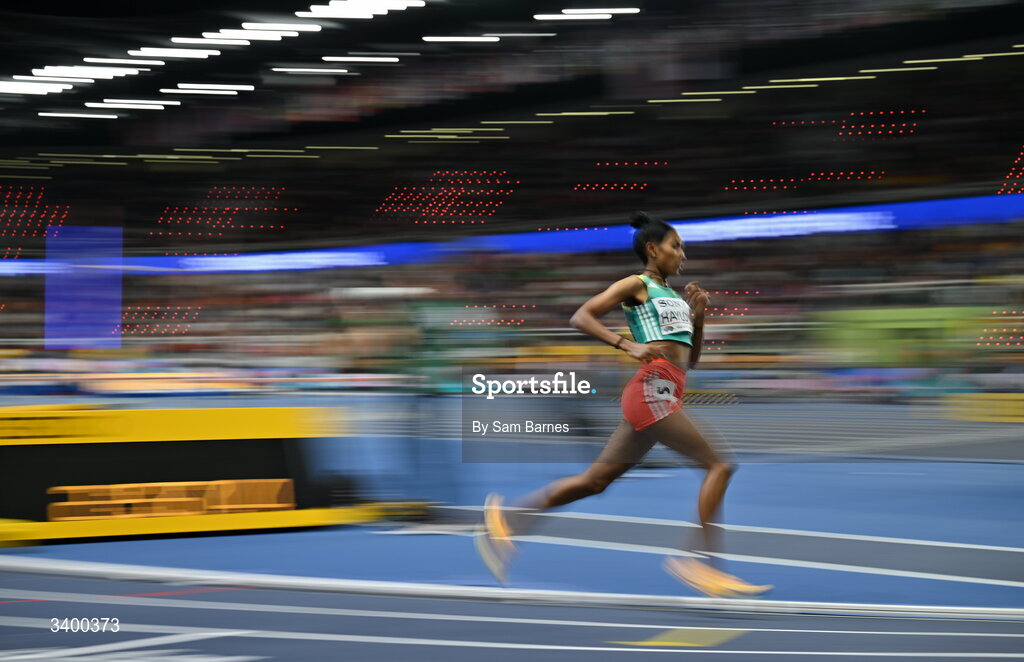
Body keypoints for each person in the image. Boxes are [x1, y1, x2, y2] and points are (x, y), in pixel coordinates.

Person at [475, 211, 771, 597]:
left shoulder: (676, 300)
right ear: (653, 249)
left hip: (663, 391)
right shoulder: (638, 284)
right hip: (652, 390)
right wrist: (626, 344)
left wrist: (699, 318)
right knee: (720, 464)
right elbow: (581, 316)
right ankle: (700, 562)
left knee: (595, 482)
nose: (683, 255)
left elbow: (691, 361)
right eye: (676, 246)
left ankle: (508, 520)